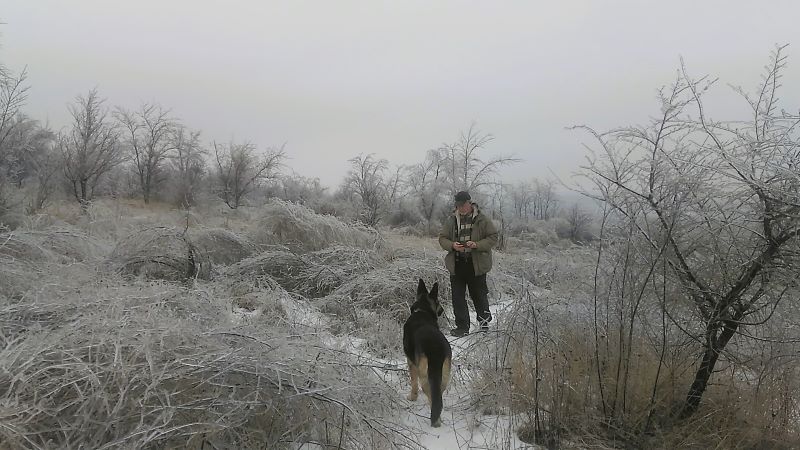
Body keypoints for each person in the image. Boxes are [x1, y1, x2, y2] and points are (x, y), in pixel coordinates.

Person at [438, 191, 498, 336]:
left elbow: (493, 237)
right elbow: (442, 238)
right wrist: (452, 245)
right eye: (458, 205)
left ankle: (484, 325)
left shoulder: (482, 219)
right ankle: (462, 327)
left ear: (470, 203)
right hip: (457, 264)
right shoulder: (451, 220)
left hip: (476, 265)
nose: (461, 208)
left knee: (479, 295)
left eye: (463, 205)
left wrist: (476, 244)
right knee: (457, 297)